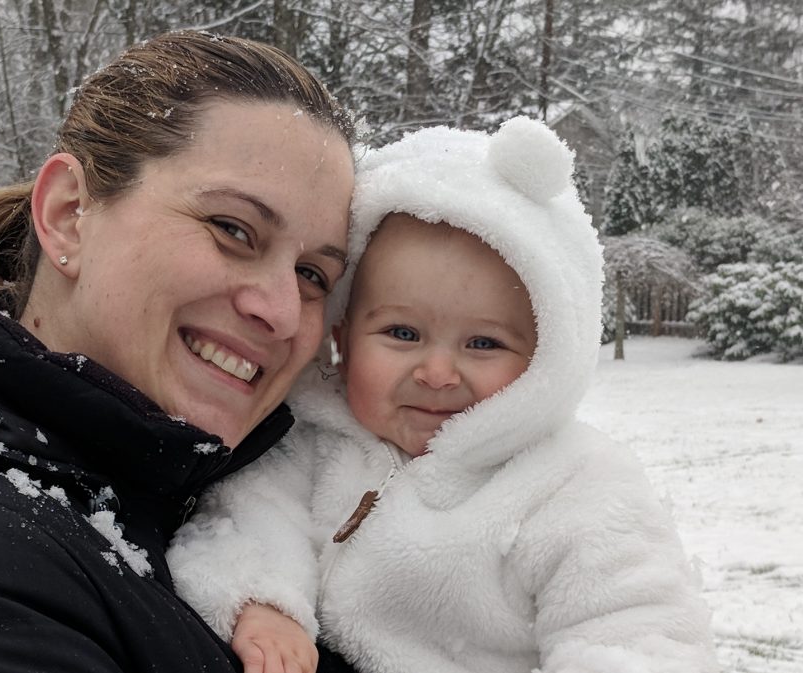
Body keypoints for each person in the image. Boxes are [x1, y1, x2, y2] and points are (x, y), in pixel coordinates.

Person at [0, 31, 360, 672]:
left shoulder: (265, 509)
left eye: (313, 275)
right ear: (68, 214)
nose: (278, 311)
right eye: (233, 230)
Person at [167, 118, 719, 673]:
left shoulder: (573, 486)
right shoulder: (310, 440)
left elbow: (637, 635)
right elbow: (248, 516)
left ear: (546, 358)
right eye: (402, 334)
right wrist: (263, 602)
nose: (436, 372)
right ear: (342, 339)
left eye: (483, 343)